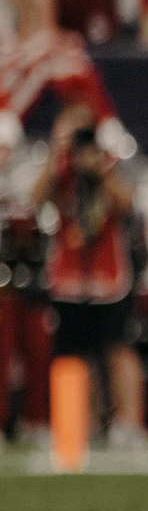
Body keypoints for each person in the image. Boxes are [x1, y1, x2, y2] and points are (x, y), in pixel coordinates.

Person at [31, 82, 146, 448]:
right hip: (68, 273)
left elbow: (128, 204)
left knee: (116, 347)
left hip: (108, 271)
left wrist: (100, 169)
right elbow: (35, 200)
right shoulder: (58, 167)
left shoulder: (108, 161)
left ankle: (129, 422)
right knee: (77, 351)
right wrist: (56, 154)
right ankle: (89, 420)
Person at [0, 107, 47, 444]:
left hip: (31, 278)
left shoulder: (31, 176)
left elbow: (46, 219)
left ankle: (37, 420)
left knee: (38, 353)